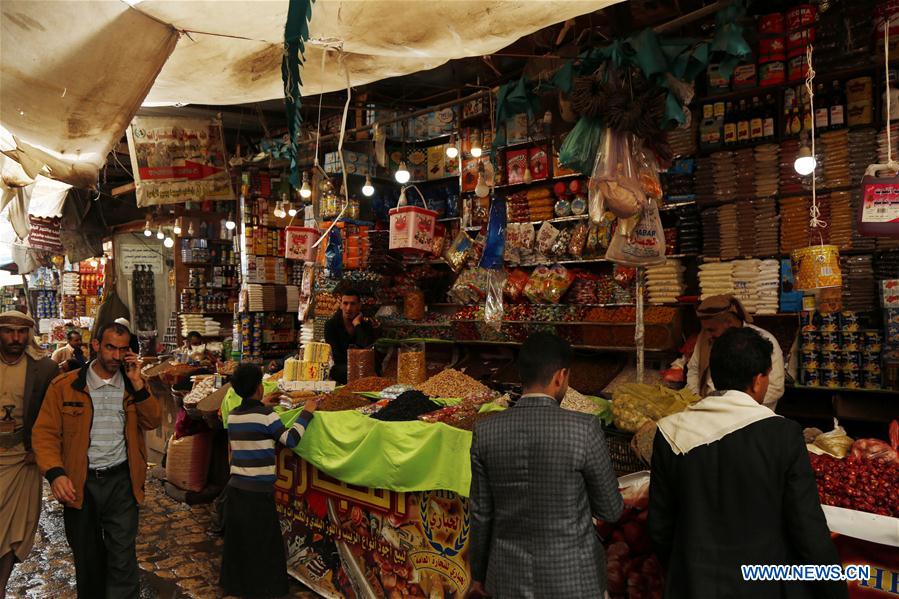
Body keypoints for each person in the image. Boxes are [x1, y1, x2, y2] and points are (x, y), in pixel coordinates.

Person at [650, 327, 847, 599]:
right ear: (758, 380)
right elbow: (807, 530)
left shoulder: (670, 432)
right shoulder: (783, 434)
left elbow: (660, 527)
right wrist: (834, 590)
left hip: (693, 585)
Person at [467, 332, 624, 599]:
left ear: (521, 374)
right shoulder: (584, 429)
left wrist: (479, 575)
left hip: (507, 579)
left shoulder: (486, 431)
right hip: (573, 580)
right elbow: (610, 510)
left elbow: (481, 514)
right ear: (560, 376)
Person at [32, 321, 161, 599]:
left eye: (122, 349)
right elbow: (45, 434)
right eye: (110, 348)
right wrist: (56, 474)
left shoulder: (133, 385)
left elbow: (153, 420)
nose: (116, 356)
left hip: (122, 482)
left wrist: (139, 384)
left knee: (123, 555)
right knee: (87, 558)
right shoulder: (65, 386)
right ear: (96, 346)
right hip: (80, 484)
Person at [220, 363, 316, 597]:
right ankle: (264, 590)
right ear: (258, 388)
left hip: (236, 489)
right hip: (258, 492)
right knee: (264, 542)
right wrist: (307, 412)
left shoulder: (234, 416)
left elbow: (252, 422)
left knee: (240, 542)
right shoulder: (266, 415)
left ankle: (237, 586)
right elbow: (290, 439)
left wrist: (262, 405)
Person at [0, 311, 58, 598]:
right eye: (8, 332)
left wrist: (41, 448)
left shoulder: (44, 369)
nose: (15, 338)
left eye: (21, 332)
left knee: (16, 529)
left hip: (23, 459)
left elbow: (53, 415)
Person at [686, 294, 784, 411]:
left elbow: (775, 388)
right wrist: (697, 400)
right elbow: (694, 369)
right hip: (710, 412)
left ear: (729, 323)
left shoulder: (762, 341)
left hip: (752, 416)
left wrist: (732, 407)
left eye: (712, 330)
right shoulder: (705, 339)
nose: (708, 335)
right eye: (705, 329)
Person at [324, 289, 375, 384]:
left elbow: (367, 348)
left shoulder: (366, 326)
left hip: (361, 367)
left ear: (359, 306)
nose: (348, 308)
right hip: (341, 369)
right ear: (340, 305)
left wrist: (357, 325)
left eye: (353, 304)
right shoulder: (331, 325)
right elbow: (335, 354)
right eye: (345, 303)